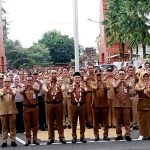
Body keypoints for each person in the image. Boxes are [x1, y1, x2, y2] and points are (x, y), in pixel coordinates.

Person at [42, 68, 66, 145]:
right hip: (49, 104)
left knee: (60, 121)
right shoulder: (46, 81)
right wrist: (47, 90)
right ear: (50, 74)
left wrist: (61, 89)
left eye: (55, 73)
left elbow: (63, 87)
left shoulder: (60, 82)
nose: (54, 75)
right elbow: (44, 87)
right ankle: (51, 138)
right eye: (52, 73)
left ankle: (61, 137)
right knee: (50, 121)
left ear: (57, 74)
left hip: (58, 103)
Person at [112, 69, 132, 141]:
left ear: (125, 74)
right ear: (117, 74)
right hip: (117, 104)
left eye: (123, 74)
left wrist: (125, 83)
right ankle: (119, 134)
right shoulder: (115, 81)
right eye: (120, 74)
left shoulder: (128, 81)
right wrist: (119, 83)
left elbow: (130, 86)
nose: (121, 75)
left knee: (127, 120)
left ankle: (127, 134)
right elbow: (114, 86)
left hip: (126, 104)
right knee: (118, 120)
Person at [20, 75, 40, 146]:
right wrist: (26, 87)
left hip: (34, 107)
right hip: (26, 108)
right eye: (28, 80)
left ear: (33, 81)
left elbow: (38, 91)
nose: (29, 82)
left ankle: (35, 139)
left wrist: (32, 88)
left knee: (35, 124)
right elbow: (21, 92)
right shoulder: (23, 88)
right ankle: (28, 139)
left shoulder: (35, 87)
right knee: (27, 124)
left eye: (30, 80)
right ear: (26, 81)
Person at [68, 72, 87, 143]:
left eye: (78, 78)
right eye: (76, 78)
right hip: (74, 105)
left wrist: (83, 89)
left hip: (82, 105)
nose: (77, 79)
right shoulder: (71, 86)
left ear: (80, 78)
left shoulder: (83, 85)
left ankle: (82, 136)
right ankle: (74, 136)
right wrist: (72, 90)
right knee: (74, 121)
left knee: (82, 121)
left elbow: (86, 90)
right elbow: (69, 91)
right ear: (73, 78)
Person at [92, 69, 110, 141]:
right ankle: (96, 135)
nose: (99, 77)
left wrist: (105, 86)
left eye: (100, 75)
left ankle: (105, 134)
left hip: (104, 104)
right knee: (95, 121)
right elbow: (92, 88)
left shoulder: (105, 82)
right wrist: (97, 85)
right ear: (95, 76)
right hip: (95, 105)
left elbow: (108, 87)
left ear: (102, 75)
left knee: (106, 121)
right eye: (97, 75)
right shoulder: (93, 83)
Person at [0, 77, 18, 147]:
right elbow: (1, 95)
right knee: (4, 127)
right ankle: (4, 141)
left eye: (8, 82)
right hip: (3, 111)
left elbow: (14, 94)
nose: (7, 83)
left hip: (12, 110)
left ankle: (13, 140)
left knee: (12, 127)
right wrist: (4, 92)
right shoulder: (1, 90)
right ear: (3, 83)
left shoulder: (14, 89)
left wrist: (9, 90)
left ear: (10, 82)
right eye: (5, 82)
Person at [135, 72, 150, 140]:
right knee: (142, 120)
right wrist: (144, 88)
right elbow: (137, 89)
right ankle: (143, 134)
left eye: (147, 76)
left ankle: (149, 134)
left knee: (149, 120)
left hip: (149, 104)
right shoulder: (139, 84)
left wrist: (147, 89)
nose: (145, 78)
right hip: (141, 105)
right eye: (144, 76)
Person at [125, 66, 139, 130]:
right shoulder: (125, 78)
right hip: (127, 96)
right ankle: (128, 123)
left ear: (133, 71)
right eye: (129, 70)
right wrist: (126, 78)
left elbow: (138, 81)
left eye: (132, 70)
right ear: (127, 71)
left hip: (135, 95)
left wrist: (136, 78)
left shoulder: (135, 77)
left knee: (135, 110)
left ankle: (135, 124)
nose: (130, 71)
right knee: (128, 110)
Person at [85, 64, 96, 128]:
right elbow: (84, 79)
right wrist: (89, 76)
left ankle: (95, 122)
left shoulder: (96, 75)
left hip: (94, 92)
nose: (90, 69)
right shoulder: (86, 75)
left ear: (93, 68)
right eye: (89, 68)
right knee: (88, 108)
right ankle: (89, 122)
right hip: (88, 93)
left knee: (95, 107)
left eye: (91, 68)